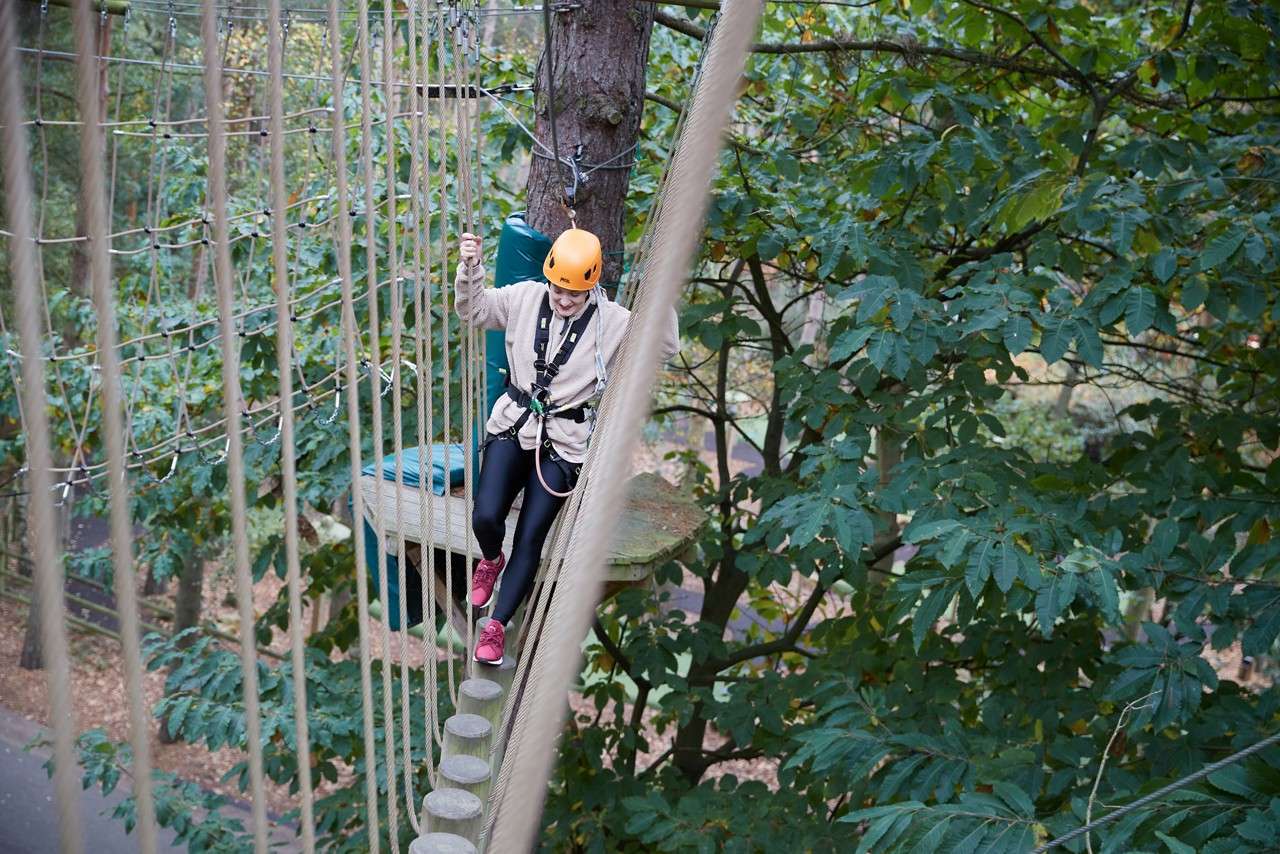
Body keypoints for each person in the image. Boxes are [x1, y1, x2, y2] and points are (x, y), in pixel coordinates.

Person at [455, 227, 678, 665]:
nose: (564, 300)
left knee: (532, 536)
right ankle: (491, 559)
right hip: (513, 423)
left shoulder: (612, 322)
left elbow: (665, 349)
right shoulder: (523, 298)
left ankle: (496, 627)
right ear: (549, 279)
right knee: (486, 513)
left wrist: (664, 293)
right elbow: (474, 310)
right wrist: (470, 268)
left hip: (562, 442)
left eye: (574, 294)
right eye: (559, 289)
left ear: (592, 285)